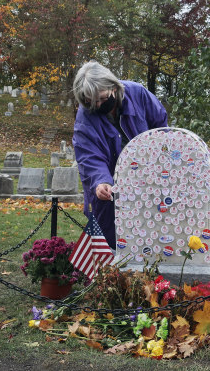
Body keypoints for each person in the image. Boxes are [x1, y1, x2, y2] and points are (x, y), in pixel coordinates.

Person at [72, 61, 168, 250]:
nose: (98, 105)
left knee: (154, 231)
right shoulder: (85, 117)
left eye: (101, 98)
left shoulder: (138, 94)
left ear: (113, 87)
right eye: (91, 102)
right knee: (114, 239)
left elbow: (160, 127)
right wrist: (101, 182)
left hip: (149, 178)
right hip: (111, 184)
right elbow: (88, 155)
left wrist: (160, 161)